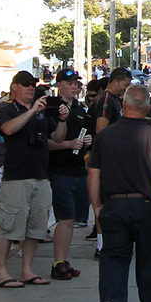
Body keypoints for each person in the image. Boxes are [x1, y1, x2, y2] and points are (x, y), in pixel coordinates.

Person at [91, 83, 151, 302]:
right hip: (146, 204)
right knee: (149, 259)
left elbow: (94, 174)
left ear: (124, 105)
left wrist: (97, 207)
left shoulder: (105, 136)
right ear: (148, 108)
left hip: (113, 203)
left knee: (113, 257)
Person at [0, 73, 53, 288]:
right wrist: (32, 111)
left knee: (35, 227)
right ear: (14, 87)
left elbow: (56, 138)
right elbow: (8, 129)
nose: (30, 88)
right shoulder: (6, 108)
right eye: (26, 85)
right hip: (16, 176)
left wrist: (61, 118)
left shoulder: (40, 112)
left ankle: (27, 269)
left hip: (40, 174)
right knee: (10, 226)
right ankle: (1, 272)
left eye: (33, 85)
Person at [45, 70, 93, 282]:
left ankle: (63, 259)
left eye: (76, 84)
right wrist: (68, 144)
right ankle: (58, 262)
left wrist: (87, 142)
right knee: (64, 218)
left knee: (72, 218)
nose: (74, 87)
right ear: (59, 85)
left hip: (77, 168)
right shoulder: (51, 107)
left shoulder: (80, 109)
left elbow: (83, 134)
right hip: (59, 170)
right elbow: (46, 142)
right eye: (69, 83)